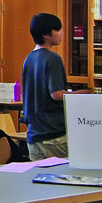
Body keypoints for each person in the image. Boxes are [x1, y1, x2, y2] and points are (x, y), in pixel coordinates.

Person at [22, 12, 70, 160]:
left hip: (34, 134)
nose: (61, 33)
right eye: (58, 29)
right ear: (46, 35)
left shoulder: (29, 58)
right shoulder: (52, 58)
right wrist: (83, 94)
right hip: (54, 133)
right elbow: (56, 94)